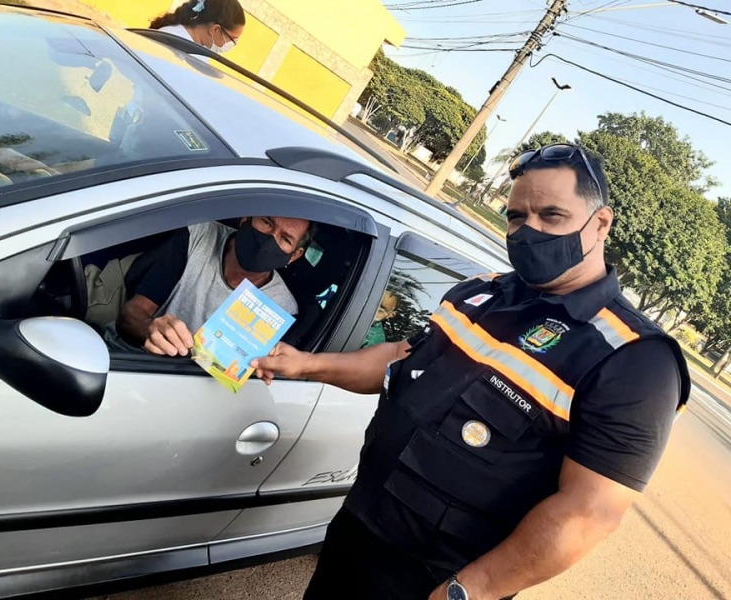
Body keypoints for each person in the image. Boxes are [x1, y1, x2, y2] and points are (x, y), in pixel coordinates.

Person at [251, 144, 691, 600]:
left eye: (552, 216)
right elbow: (403, 359)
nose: (529, 230)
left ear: (600, 223)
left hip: (438, 581)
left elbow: (588, 512)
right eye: (517, 216)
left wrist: (467, 591)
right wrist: (305, 364)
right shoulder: (480, 293)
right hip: (359, 532)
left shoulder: (633, 359)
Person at [105, 216, 314, 356]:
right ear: (246, 218)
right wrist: (149, 329)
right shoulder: (198, 236)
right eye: (267, 222)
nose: (268, 241)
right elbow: (133, 313)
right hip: (126, 358)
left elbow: (222, 373)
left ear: (294, 255)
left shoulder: (279, 308)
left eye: (285, 239)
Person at [150, 0, 245, 54]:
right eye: (232, 39)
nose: (231, 45)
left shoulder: (198, 50)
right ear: (215, 29)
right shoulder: (171, 41)